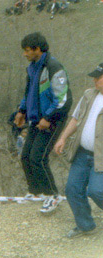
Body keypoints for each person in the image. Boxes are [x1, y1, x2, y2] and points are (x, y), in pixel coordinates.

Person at [13, 32, 72, 214]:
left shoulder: (53, 67)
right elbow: (29, 93)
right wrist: (22, 110)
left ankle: (52, 195)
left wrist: (48, 117)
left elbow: (63, 99)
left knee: (38, 157)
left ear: (37, 49)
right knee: (25, 156)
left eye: (27, 50)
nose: (24, 54)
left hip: (52, 120)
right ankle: (36, 191)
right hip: (36, 119)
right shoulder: (32, 68)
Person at [53, 62, 103, 238]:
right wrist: (63, 138)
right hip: (82, 153)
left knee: (97, 191)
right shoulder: (89, 95)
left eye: (98, 77)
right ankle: (86, 226)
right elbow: (75, 119)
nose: (94, 80)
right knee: (72, 189)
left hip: (101, 157)